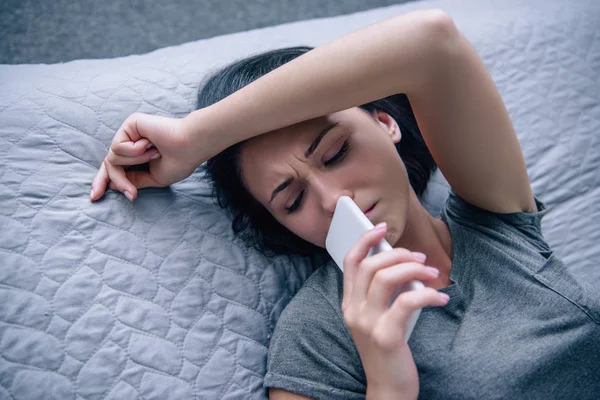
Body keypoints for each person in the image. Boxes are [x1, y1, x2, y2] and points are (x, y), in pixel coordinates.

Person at [90, 9, 600, 400]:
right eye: (292, 201)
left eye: (336, 152)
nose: (334, 200)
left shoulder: (494, 223)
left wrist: (195, 136)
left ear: (385, 123)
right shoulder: (316, 335)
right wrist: (387, 378)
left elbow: (431, 42)